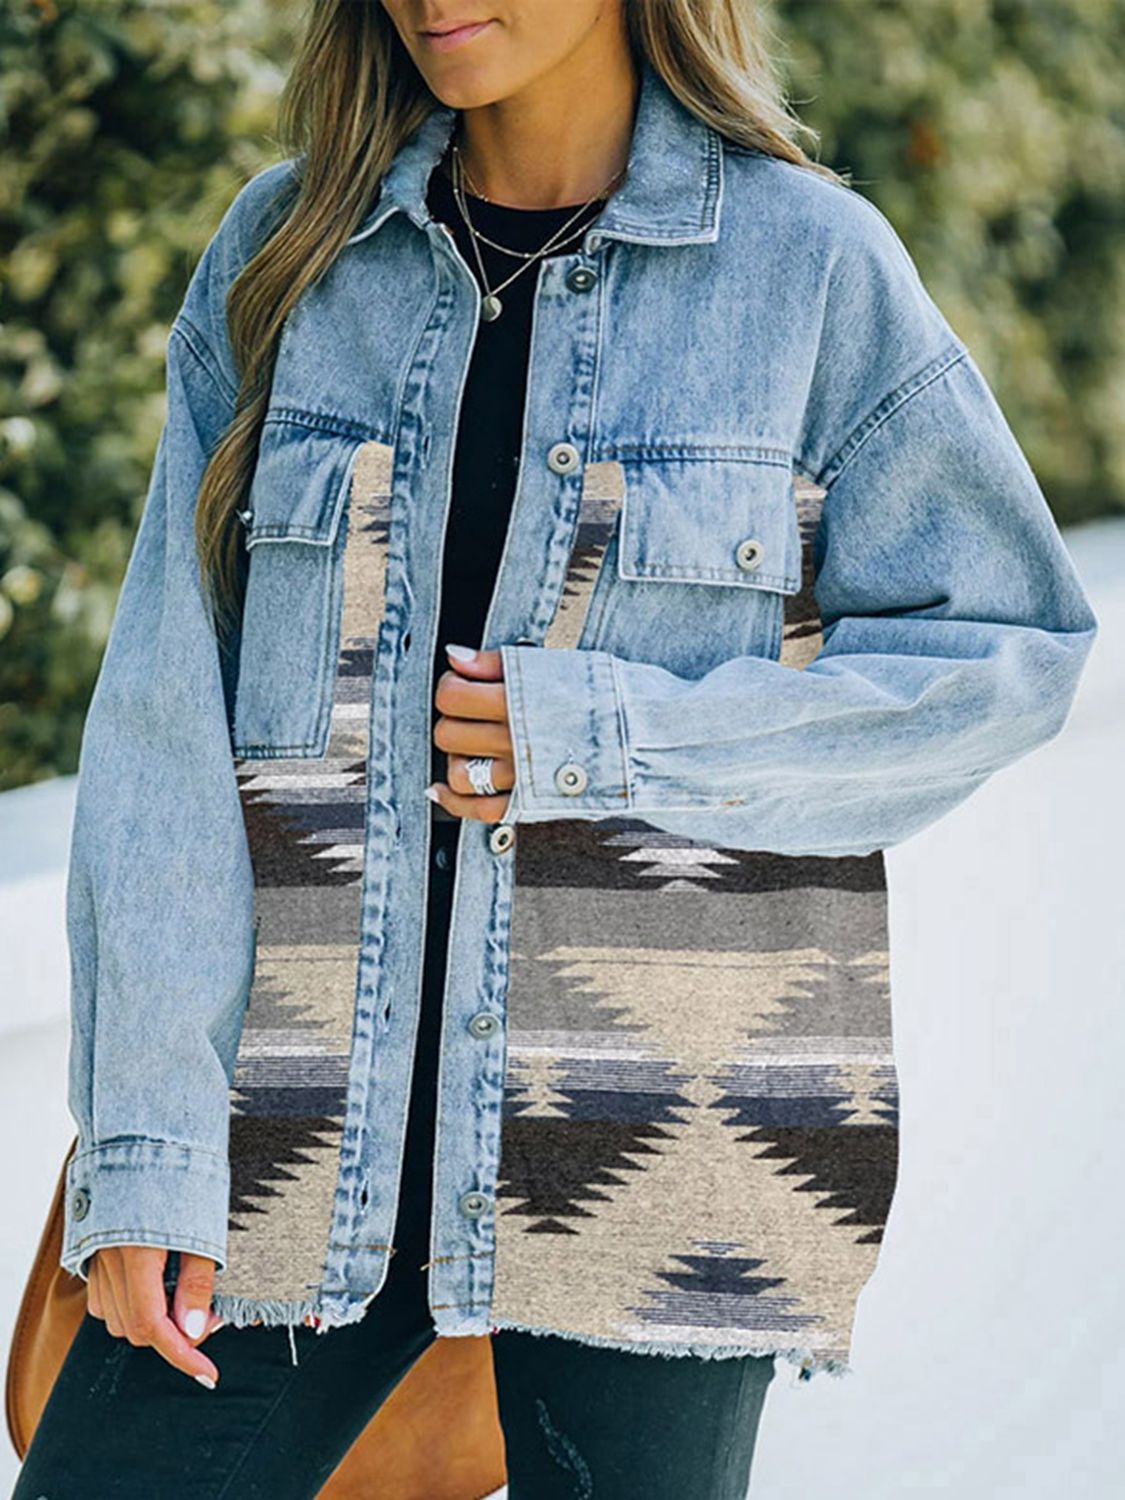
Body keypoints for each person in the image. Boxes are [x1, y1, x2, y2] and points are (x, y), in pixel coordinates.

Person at [13, 1, 1098, 1496]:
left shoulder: (809, 270)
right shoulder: (289, 255)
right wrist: (148, 1142)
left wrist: (613, 737)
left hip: (663, 1164)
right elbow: (162, 722)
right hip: (281, 1145)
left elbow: (1007, 651)